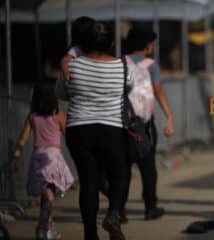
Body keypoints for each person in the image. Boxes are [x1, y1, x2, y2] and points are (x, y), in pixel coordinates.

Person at [65, 21, 130, 240]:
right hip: (111, 129)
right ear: (111, 42)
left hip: (78, 130)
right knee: (120, 175)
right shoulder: (122, 67)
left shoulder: (72, 65)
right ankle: (113, 214)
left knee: (89, 182)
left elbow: (61, 92)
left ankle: (90, 234)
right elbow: (127, 88)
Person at [10, 78, 74, 240]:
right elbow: (70, 138)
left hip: (39, 159)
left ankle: (46, 226)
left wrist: (15, 156)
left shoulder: (32, 117)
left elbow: (23, 139)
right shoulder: (59, 116)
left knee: (46, 196)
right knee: (49, 196)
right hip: (53, 160)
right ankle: (43, 227)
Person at [123, 28, 175, 220]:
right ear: (147, 45)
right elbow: (158, 91)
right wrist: (169, 116)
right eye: (151, 43)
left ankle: (119, 210)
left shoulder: (121, 62)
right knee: (148, 168)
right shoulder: (150, 65)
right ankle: (150, 207)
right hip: (144, 124)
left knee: (122, 168)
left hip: (123, 124)